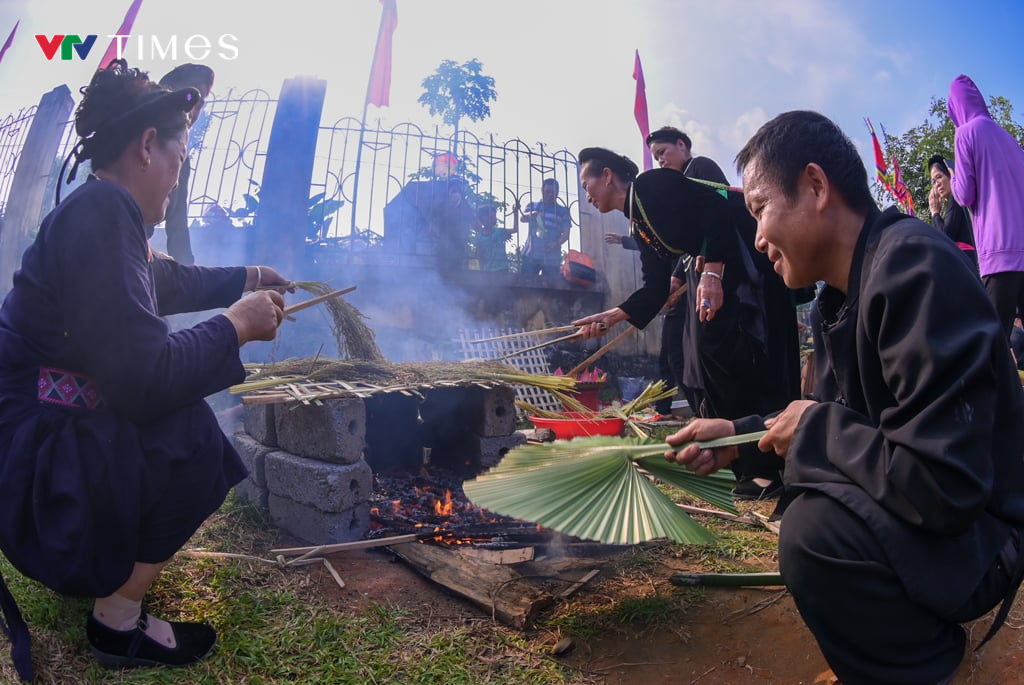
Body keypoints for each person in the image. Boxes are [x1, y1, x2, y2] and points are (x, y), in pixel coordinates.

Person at [667, 110, 1024, 685]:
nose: (756, 238)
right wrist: (740, 439)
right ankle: (892, 648)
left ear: (815, 186)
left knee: (815, 534)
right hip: (940, 516)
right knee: (816, 506)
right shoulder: (841, 297)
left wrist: (811, 428)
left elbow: (943, 485)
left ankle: (921, 663)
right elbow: (844, 422)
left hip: (982, 537)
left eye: (760, 211)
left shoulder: (913, 267)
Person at [0, 59, 293, 680]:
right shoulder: (103, 212)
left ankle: (99, 559)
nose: (175, 179)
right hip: (29, 465)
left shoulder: (100, 212)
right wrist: (237, 325)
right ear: (147, 145)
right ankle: (117, 620)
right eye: (179, 163)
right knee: (191, 434)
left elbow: (163, 278)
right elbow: (143, 382)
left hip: (26, 437)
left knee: (178, 407)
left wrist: (248, 278)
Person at [572, 147, 800, 505]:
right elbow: (655, 288)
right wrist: (612, 317)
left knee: (746, 355)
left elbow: (717, 209)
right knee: (710, 361)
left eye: (587, 183)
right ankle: (749, 459)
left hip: (748, 266)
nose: (586, 194)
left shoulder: (650, 185)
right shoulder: (639, 223)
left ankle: (771, 467)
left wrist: (712, 272)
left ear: (607, 176)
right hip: (722, 275)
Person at [948, 74, 1024, 341]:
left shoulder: (965, 133)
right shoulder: (1008, 137)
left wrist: (953, 177)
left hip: (999, 252)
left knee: (993, 345)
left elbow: (964, 195)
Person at [157, 63, 215, 265]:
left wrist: (188, 274)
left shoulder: (183, 158)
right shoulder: (134, 139)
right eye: (188, 97)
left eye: (200, 103)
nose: (193, 110)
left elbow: (177, 226)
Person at [928, 153, 978, 273]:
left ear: (950, 175)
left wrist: (935, 213)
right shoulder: (954, 200)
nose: (937, 184)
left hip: (965, 266)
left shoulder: (956, 198)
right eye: (933, 182)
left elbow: (946, 237)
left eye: (939, 177)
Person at [520, 178, 572, 278]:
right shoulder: (533, 206)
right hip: (531, 254)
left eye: (553, 192)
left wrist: (556, 244)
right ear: (542, 191)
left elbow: (566, 234)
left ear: (557, 193)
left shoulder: (562, 211)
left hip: (552, 257)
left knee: (551, 288)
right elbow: (522, 218)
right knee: (526, 285)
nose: (550, 195)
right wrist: (531, 214)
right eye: (547, 191)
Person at [471, 204, 516, 272]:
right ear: (484, 218)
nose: (495, 219)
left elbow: (515, 229)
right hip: (488, 271)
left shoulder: (499, 232)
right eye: (492, 217)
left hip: (502, 269)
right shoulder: (480, 237)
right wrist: (478, 272)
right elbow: (479, 256)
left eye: (495, 216)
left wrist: (515, 213)